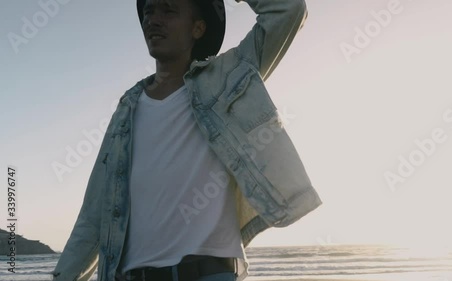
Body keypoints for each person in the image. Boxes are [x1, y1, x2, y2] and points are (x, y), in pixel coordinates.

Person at [51, 0, 322, 280]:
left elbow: (288, 10)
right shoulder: (127, 109)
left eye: (168, 10)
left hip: (211, 273)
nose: (153, 20)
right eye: (148, 11)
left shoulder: (227, 76)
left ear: (198, 28)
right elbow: (94, 216)